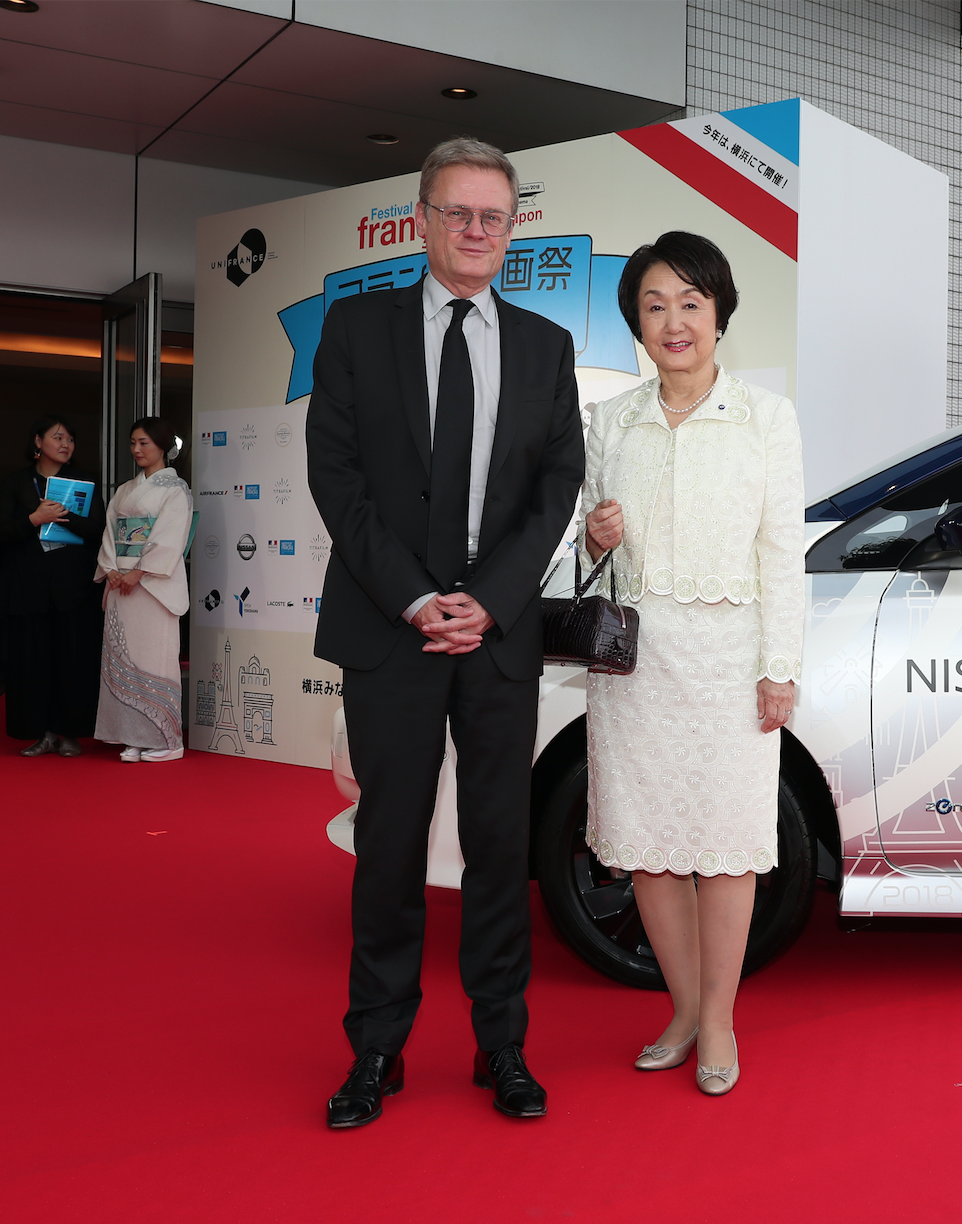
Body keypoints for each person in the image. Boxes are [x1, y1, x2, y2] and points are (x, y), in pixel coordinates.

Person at [306, 136, 585, 1129]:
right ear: (422, 219)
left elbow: (557, 489)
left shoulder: (548, 348)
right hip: (392, 631)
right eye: (458, 213)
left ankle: (501, 1046)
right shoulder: (354, 330)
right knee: (388, 846)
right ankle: (375, 1050)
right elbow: (336, 479)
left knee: (499, 842)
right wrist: (418, 599)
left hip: (499, 636)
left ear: (514, 229)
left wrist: (494, 598)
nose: (476, 231)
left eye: (494, 217)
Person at [577, 231, 804, 1097]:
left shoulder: (766, 419)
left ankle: (720, 1020)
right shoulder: (609, 420)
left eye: (690, 304)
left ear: (719, 313)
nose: (673, 322)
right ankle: (680, 1007)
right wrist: (595, 534)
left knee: (727, 850)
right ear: (637, 321)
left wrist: (779, 665)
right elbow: (588, 550)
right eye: (654, 305)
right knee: (650, 851)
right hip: (635, 666)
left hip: (729, 663)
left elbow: (783, 552)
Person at [0, 416, 105, 757]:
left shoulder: (84, 481)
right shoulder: (15, 482)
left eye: (70, 439)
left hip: (74, 587)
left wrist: (66, 514)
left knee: (72, 661)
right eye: (58, 437)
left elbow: (98, 530)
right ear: (38, 442)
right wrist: (33, 520)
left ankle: (71, 732)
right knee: (33, 662)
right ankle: (41, 733)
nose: (66, 444)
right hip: (28, 587)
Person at [93, 418, 192, 764]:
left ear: (162, 446)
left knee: (155, 658)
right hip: (121, 583)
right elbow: (109, 533)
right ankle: (132, 735)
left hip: (152, 587)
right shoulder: (123, 490)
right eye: (133, 443)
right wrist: (113, 571)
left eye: (144, 443)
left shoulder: (175, 490)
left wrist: (138, 572)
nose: (136, 450)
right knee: (125, 657)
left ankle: (168, 739)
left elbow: (170, 537)